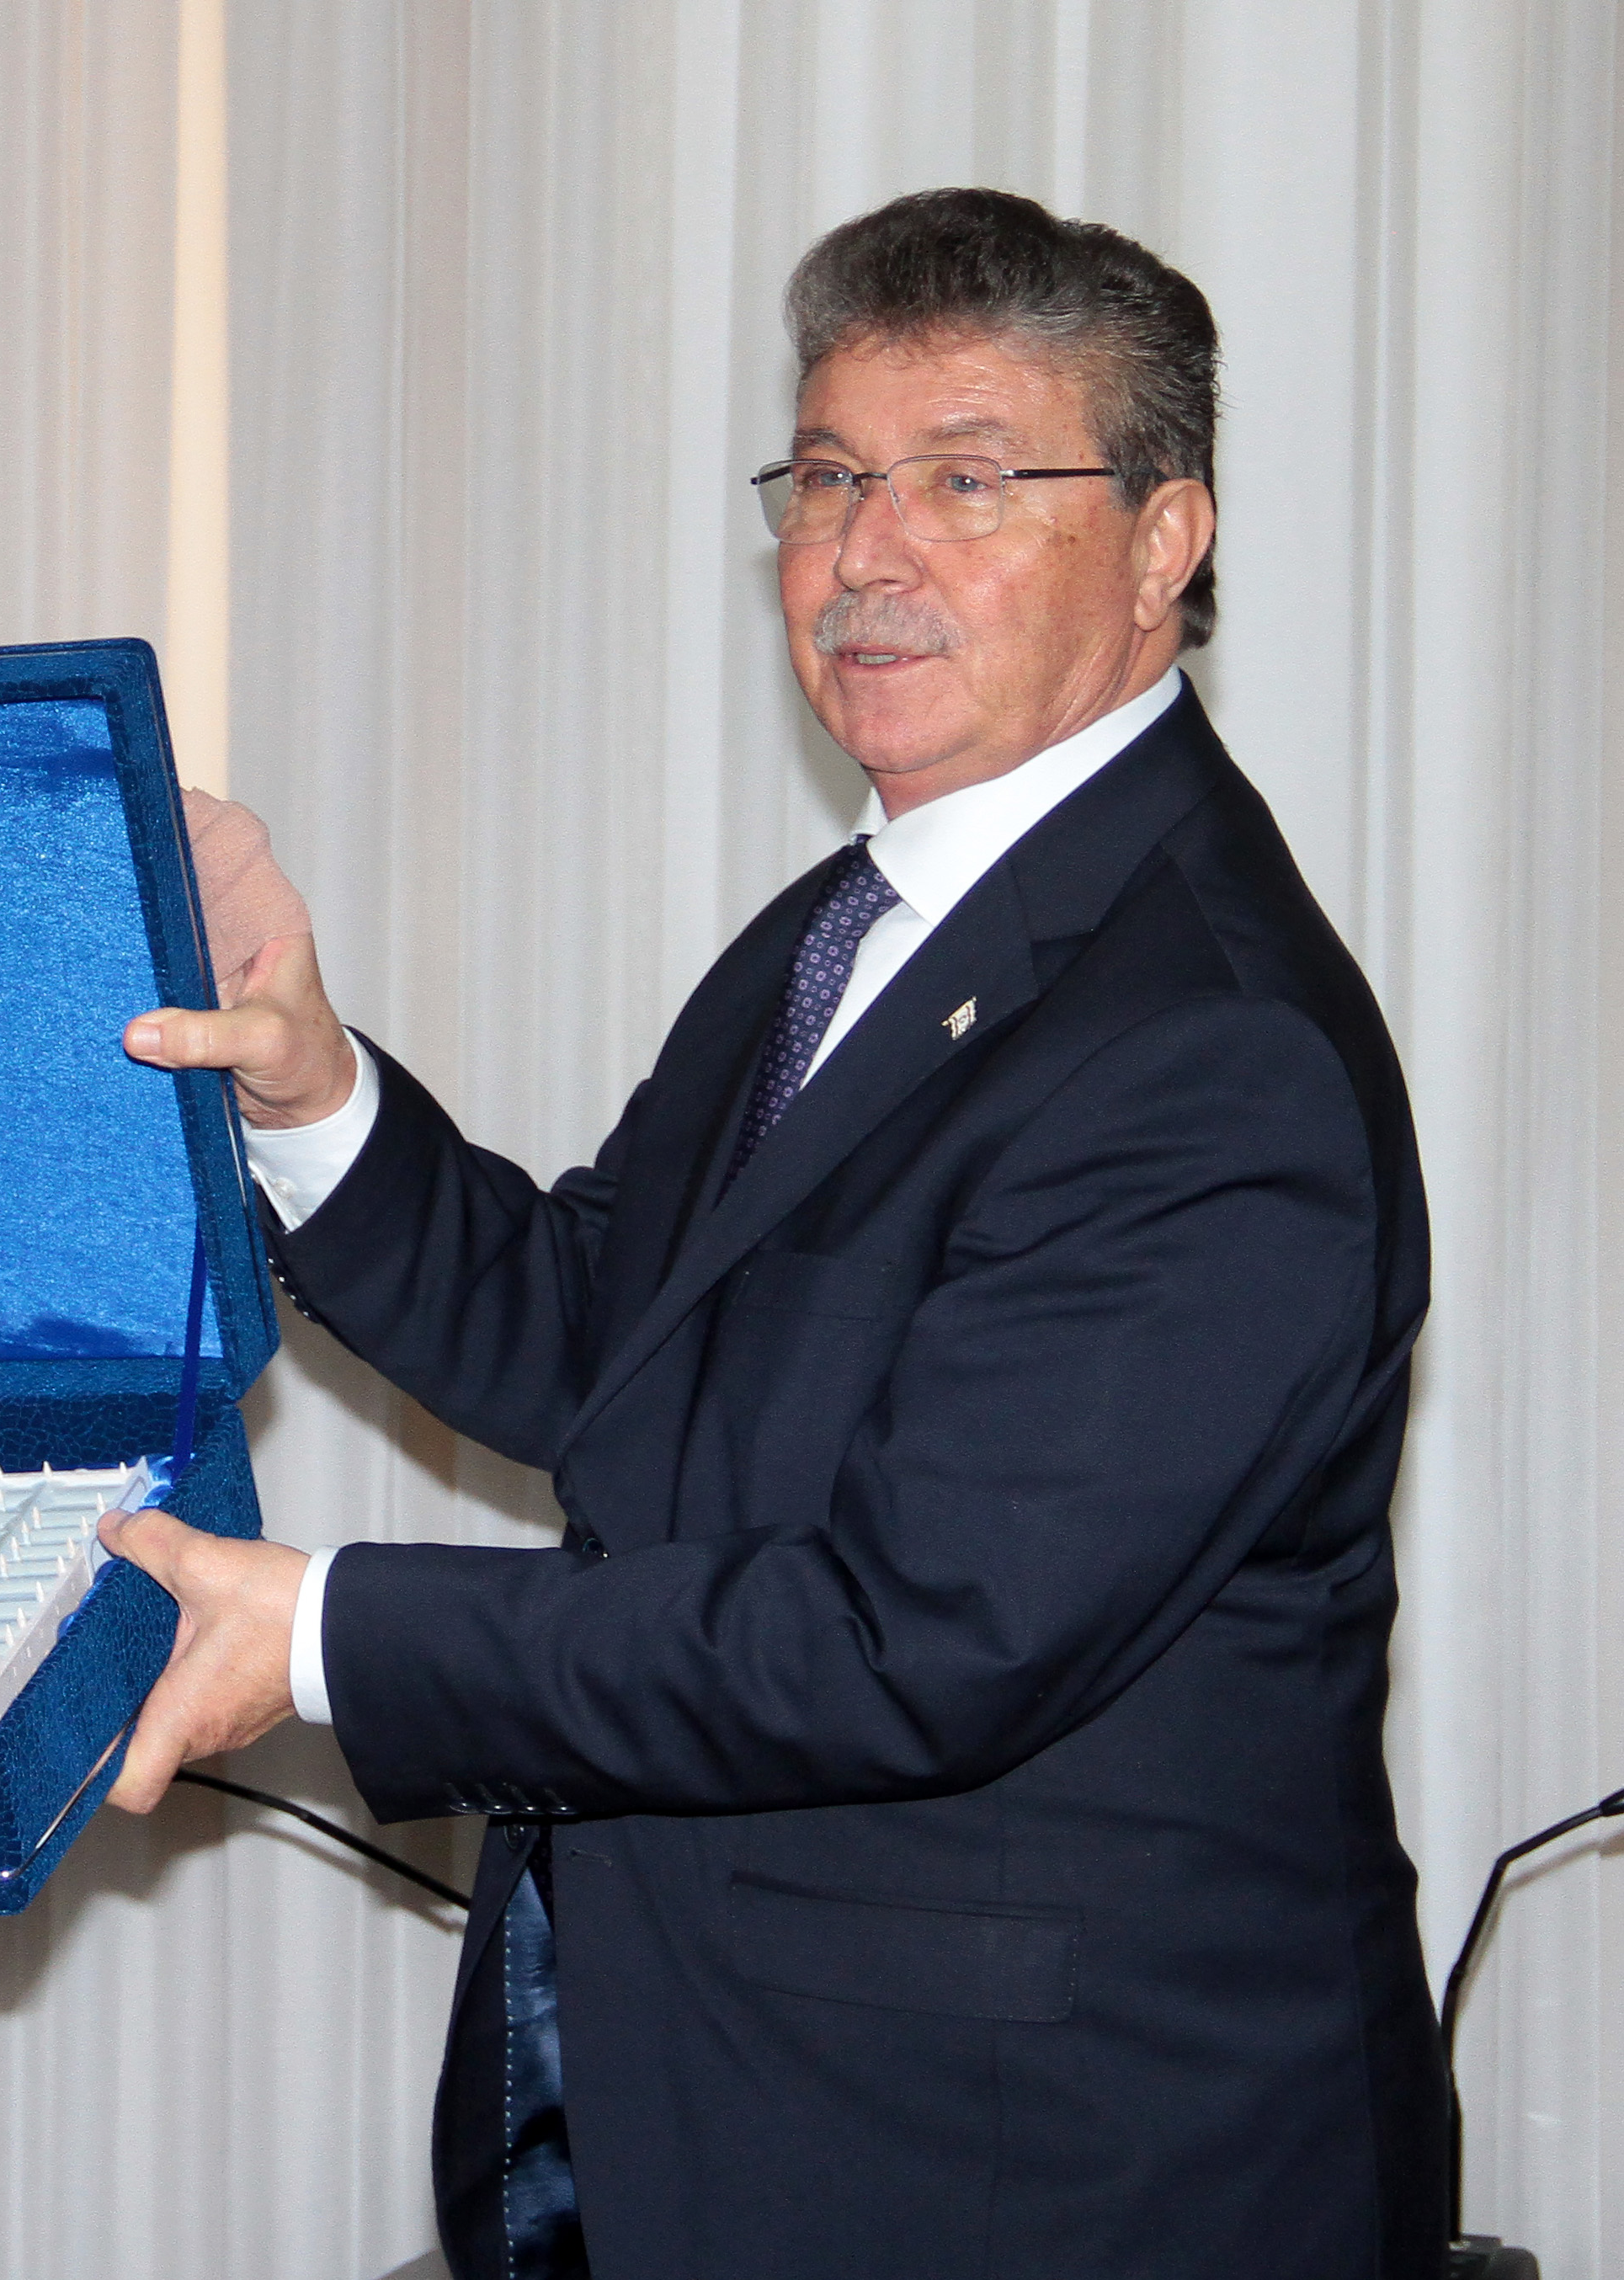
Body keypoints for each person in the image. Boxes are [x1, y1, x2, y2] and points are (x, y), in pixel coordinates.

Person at [104, 188, 1447, 2279]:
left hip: (1051, 2173)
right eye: (827, 479)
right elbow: (617, 1342)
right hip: (745, 2108)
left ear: (1164, 540)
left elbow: (922, 1639)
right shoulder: (864, 919)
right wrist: (311, 1095)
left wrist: (329, 1633)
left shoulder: (1211, 1043)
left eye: (968, 481)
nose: (865, 553)